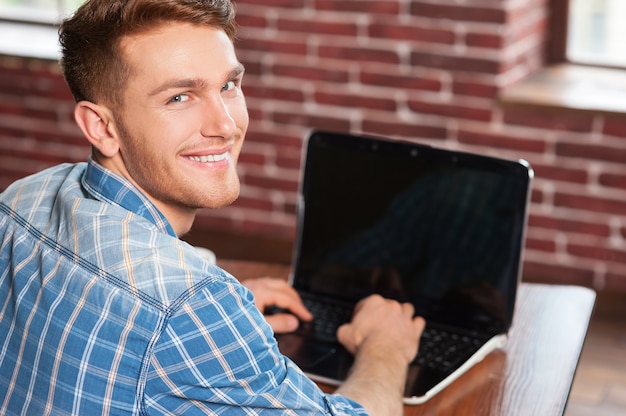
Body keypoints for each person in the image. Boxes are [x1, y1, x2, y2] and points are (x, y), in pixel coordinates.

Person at [0, 0, 424, 414]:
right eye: (179, 98)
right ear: (101, 126)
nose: (225, 125)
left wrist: (220, 320)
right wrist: (384, 348)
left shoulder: (24, 198)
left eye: (228, 86)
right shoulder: (190, 305)